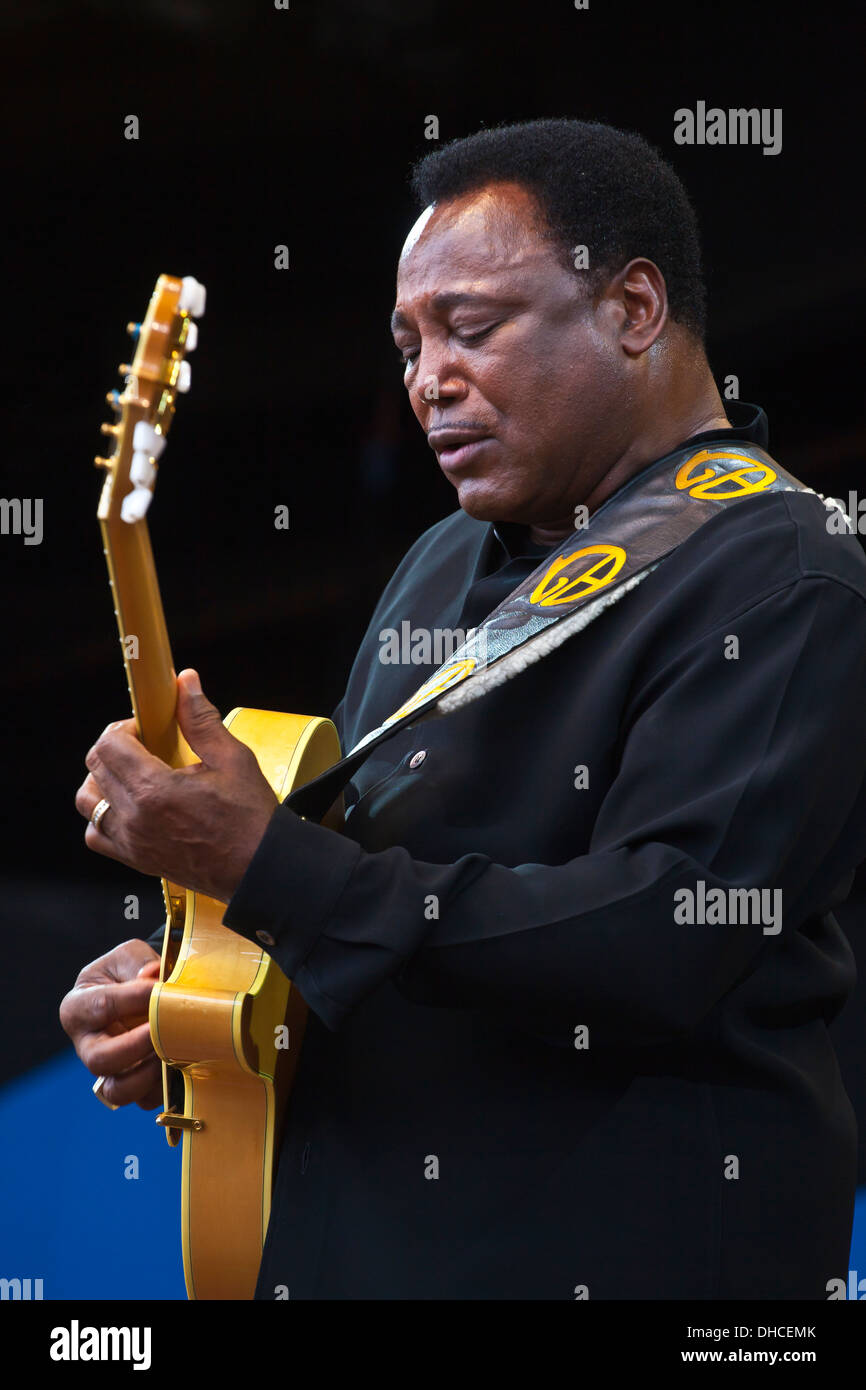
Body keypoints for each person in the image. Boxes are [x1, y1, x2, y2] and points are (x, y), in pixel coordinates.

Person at [61, 119, 866, 1300]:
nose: (427, 377)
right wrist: (195, 993)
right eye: (406, 342)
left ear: (633, 309)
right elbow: (357, 905)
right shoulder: (443, 561)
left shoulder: (786, 572)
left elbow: (666, 934)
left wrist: (267, 865)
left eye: (471, 328)